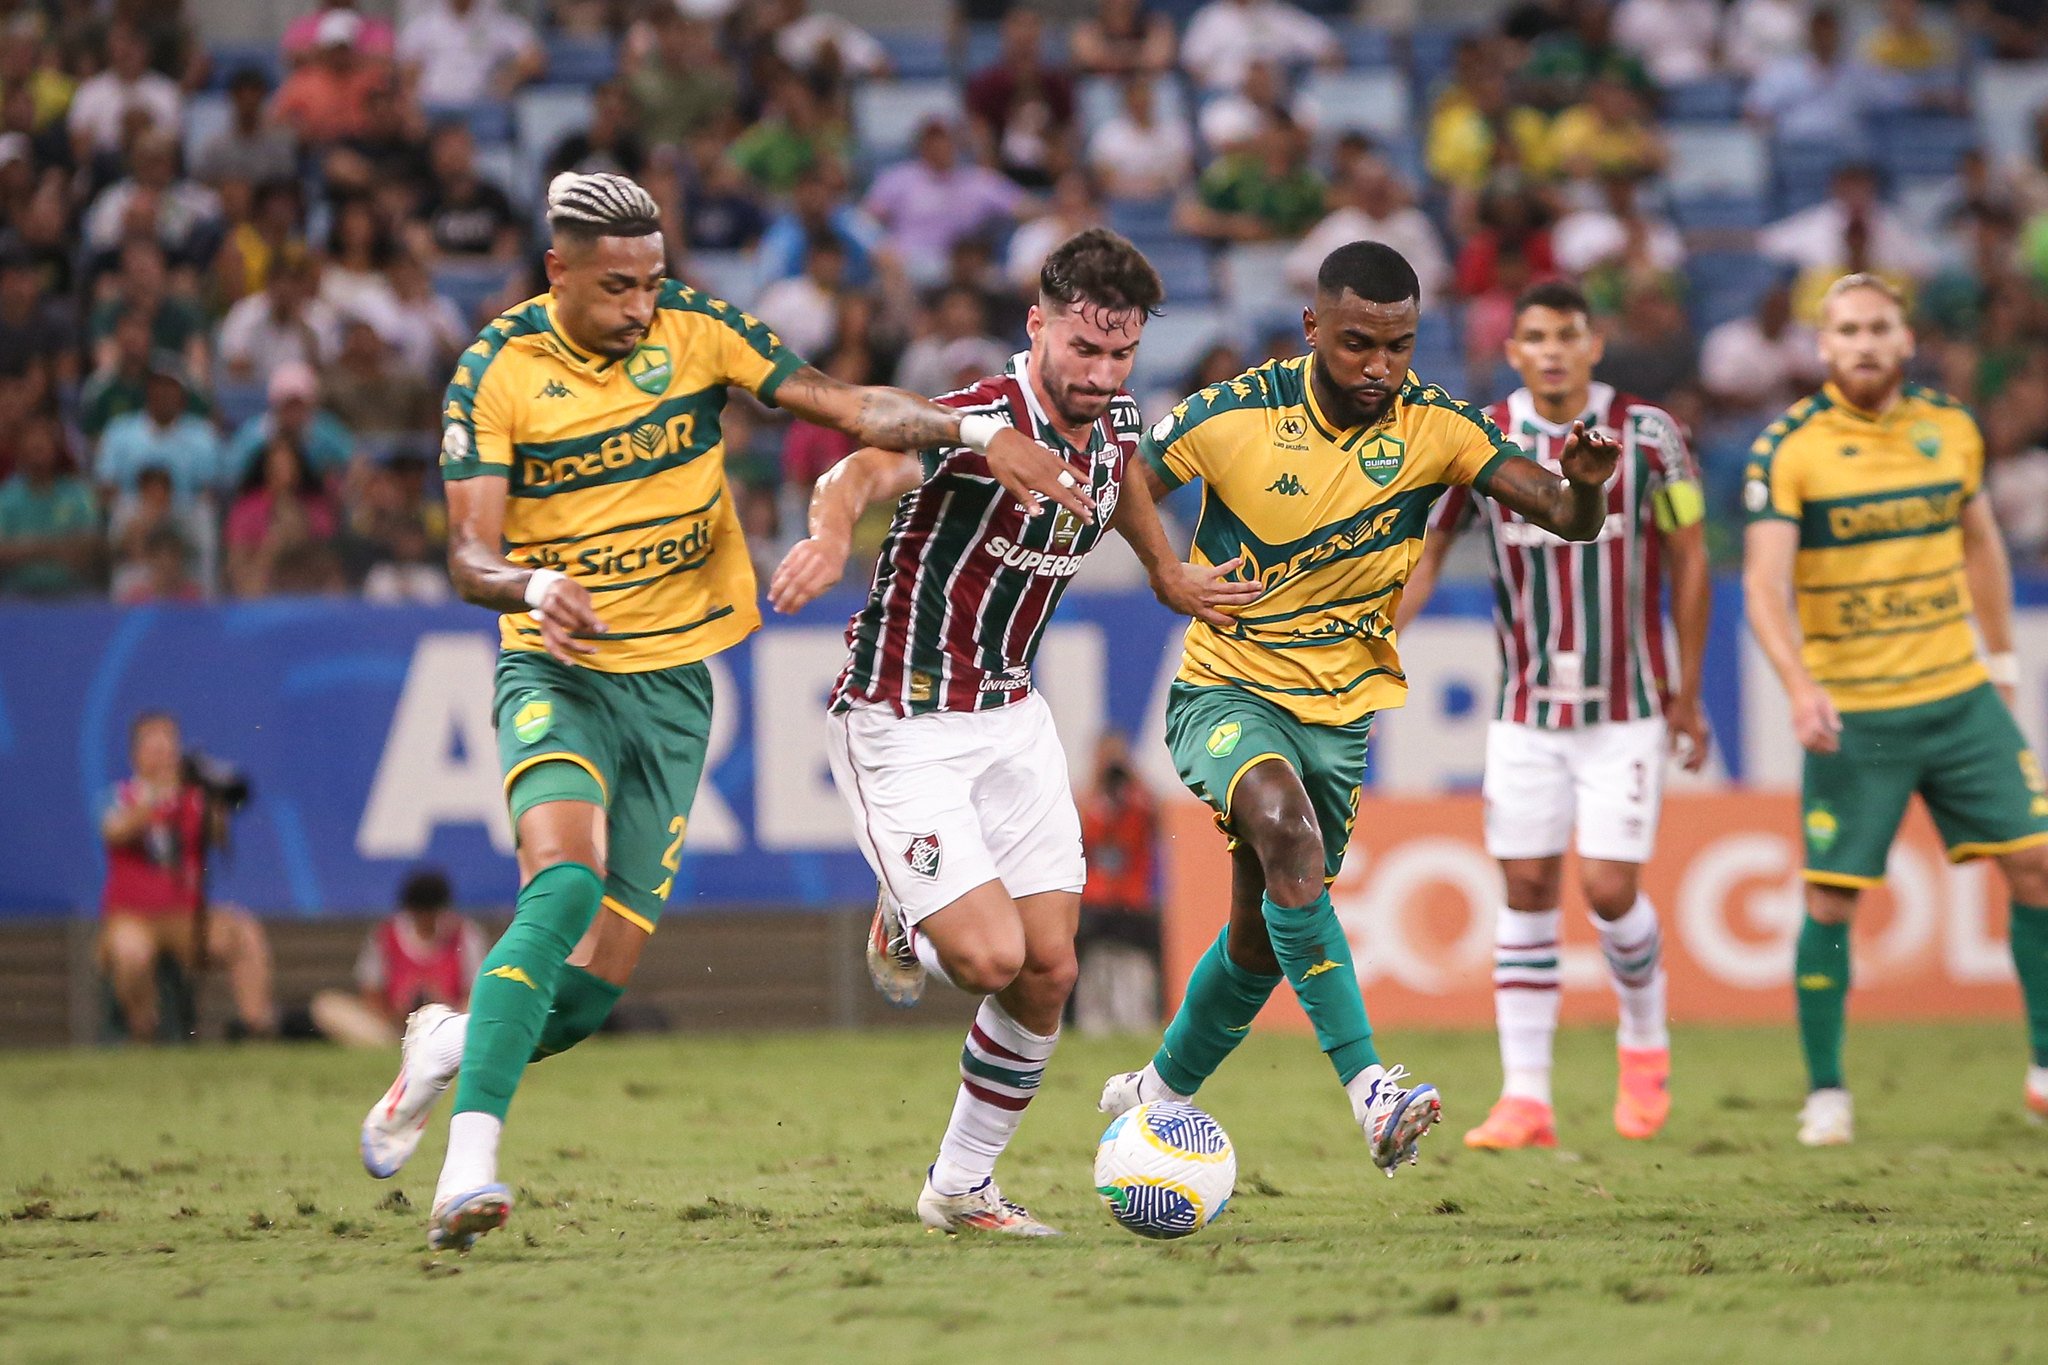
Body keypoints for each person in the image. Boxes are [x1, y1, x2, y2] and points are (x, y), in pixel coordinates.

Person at [356, 170, 1098, 1254]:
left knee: (586, 999)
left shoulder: (695, 329)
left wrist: (976, 438)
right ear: (556, 270)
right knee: (560, 884)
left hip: (674, 687)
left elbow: (848, 407)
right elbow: (466, 552)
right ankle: (468, 1166)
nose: (640, 307)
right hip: (554, 669)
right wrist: (529, 585)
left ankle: (446, 1045)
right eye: (616, 287)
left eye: (653, 282)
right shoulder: (495, 372)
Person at [1097, 242, 1624, 1178]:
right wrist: (1165, 570)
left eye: (1399, 346)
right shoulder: (1234, 411)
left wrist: (1585, 483)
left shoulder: (1439, 425)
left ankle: (1158, 1094)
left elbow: (1568, 517)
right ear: (1311, 329)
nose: (1379, 367)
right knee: (1283, 829)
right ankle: (1371, 1090)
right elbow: (1122, 479)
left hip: (1339, 715)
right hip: (1227, 685)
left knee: (1262, 938)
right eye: (1355, 345)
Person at [765, 228, 1252, 1235]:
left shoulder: (1113, 419)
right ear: (1036, 325)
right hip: (898, 717)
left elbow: (1119, 485)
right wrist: (824, 529)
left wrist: (1165, 571)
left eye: (1119, 354)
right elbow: (860, 470)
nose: (1101, 372)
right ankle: (907, 909)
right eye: (1083, 347)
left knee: (1050, 971)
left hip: (1012, 717)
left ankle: (957, 1191)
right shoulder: (975, 422)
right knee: (987, 959)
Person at [1398, 280, 1712, 1149]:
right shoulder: (1485, 438)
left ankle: (1645, 1043)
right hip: (1525, 706)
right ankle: (1526, 1095)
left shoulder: (1650, 435)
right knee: (1527, 887)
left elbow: (1689, 555)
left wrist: (1687, 691)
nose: (1551, 350)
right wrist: (1376, 642)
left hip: (1629, 703)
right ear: (1514, 349)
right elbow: (1427, 550)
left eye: (1566, 334)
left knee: (1610, 890)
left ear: (1593, 343)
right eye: (1534, 335)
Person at [1742, 272, 2048, 1145]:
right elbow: (1763, 584)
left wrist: (1999, 661)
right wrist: (1801, 685)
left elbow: (1981, 540)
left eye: (1880, 327)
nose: (1866, 342)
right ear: (1824, 346)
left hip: (1957, 696)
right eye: (1848, 330)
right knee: (1833, 903)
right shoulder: (1788, 448)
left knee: (2036, 866)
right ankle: (1827, 1090)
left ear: (1906, 339)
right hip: (1859, 712)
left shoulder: (1950, 428)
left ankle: (2044, 1066)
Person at [99, 713, 275, 1042]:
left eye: (168, 748)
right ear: (136, 754)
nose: (162, 757)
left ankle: (256, 1027)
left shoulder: (193, 798)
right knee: (130, 952)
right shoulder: (120, 795)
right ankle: (144, 1031)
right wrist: (155, 796)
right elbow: (115, 831)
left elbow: (219, 836)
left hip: (185, 918)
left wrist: (215, 796)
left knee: (244, 933)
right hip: (133, 917)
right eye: (153, 749)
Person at [310, 868, 488, 1047]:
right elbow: (370, 993)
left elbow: (477, 993)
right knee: (325, 1005)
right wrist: (399, 1010)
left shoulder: (465, 934)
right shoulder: (385, 935)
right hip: (393, 1030)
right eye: (421, 913)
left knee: (478, 1012)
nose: (427, 919)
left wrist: (440, 1004)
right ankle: (394, 1046)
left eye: (432, 913)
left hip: (449, 1029)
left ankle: (445, 1045)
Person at [1073, 732, 1162, 1035]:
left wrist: (1130, 772)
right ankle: (1092, 1023)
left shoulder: (1137, 803)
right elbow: (1077, 826)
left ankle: (1137, 1021)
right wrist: (1097, 780)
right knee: (1093, 963)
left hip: (1133, 899)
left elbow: (1157, 813)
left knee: (1135, 963)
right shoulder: (1088, 802)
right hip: (1096, 898)